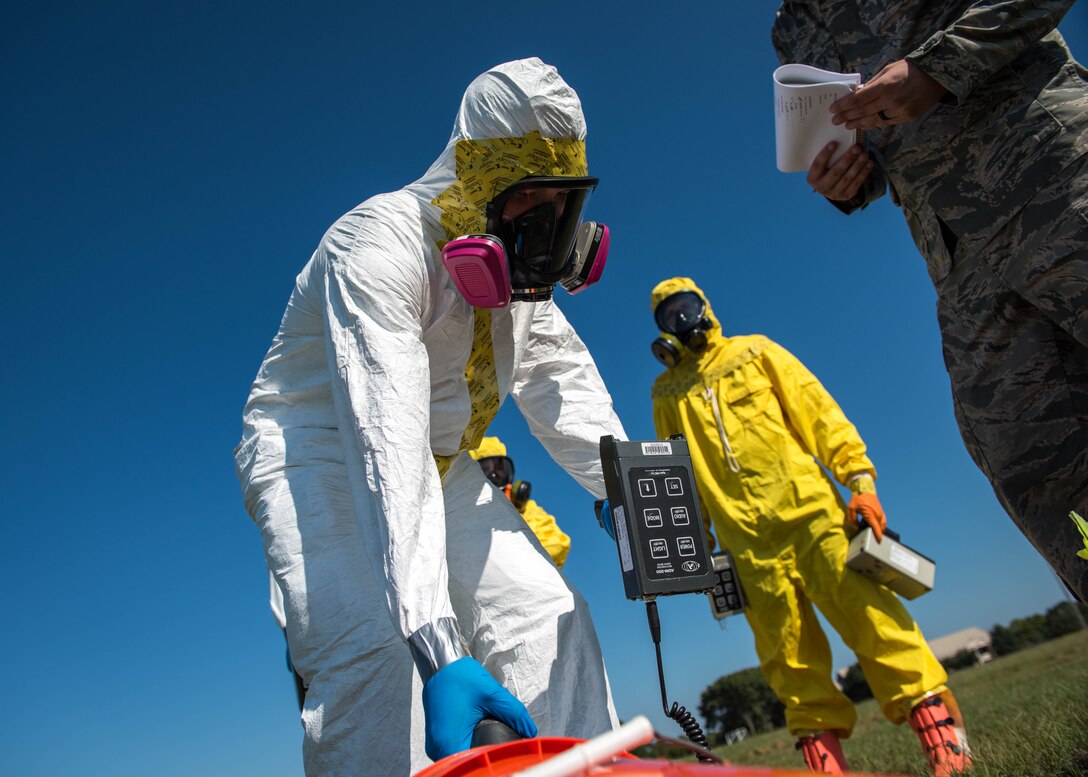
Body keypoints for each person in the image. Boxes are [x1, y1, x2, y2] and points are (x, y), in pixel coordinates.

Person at [234, 58, 625, 775]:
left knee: (547, 617)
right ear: (480, 179)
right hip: (315, 456)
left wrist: (622, 488)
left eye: (559, 206)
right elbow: (384, 432)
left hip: (439, 464)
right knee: (374, 656)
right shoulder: (378, 244)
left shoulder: (513, 279)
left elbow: (557, 377)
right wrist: (437, 642)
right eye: (529, 201)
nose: (545, 227)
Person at [772, 0, 1088, 603]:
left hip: (1056, 176)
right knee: (1040, 468)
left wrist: (937, 68)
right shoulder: (789, 26)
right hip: (958, 257)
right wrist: (846, 179)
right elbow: (856, 133)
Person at [648, 277, 970, 776]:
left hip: (813, 518)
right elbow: (680, 475)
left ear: (706, 307)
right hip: (746, 548)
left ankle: (943, 736)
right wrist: (699, 552)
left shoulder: (754, 352)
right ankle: (825, 764)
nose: (681, 321)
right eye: (668, 317)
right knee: (787, 657)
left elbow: (817, 412)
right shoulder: (667, 392)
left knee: (874, 621)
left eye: (686, 308)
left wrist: (859, 480)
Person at [469, 437, 571, 569]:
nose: (493, 475)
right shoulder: (459, 510)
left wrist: (513, 515)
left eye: (499, 468)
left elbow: (557, 545)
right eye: (485, 470)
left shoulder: (525, 509)